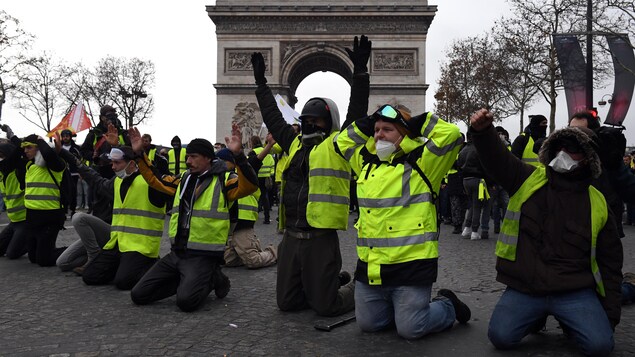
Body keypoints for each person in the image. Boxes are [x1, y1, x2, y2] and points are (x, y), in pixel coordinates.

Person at [469, 109, 623, 356]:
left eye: (571, 149)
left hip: (574, 290)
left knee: (600, 345)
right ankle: (534, 316)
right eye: (560, 147)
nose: (563, 154)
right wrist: (483, 132)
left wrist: (607, 318)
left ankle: (568, 319)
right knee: (501, 337)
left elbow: (611, 264)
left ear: (587, 158)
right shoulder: (527, 179)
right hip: (526, 287)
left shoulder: (598, 203)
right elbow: (497, 159)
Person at [249, 35, 370, 317]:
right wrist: (261, 85)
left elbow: (356, 113)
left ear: (329, 124)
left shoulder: (338, 145)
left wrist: (361, 74)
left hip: (320, 237)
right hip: (291, 236)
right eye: (305, 120)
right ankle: (323, 283)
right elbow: (273, 117)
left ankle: (359, 287)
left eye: (316, 120)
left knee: (326, 307)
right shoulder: (292, 145)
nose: (308, 124)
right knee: (287, 303)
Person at [337, 103, 470, 339]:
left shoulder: (424, 162)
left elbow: (450, 134)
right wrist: (371, 120)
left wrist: (414, 121)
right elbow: (341, 141)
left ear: (405, 132)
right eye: (376, 130)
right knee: (369, 324)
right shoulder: (364, 161)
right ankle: (399, 311)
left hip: (412, 266)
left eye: (387, 129)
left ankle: (447, 305)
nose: (379, 134)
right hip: (372, 266)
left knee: (411, 329)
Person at [129, 126, 259, 312]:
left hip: (203, 255)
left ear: (208, 158)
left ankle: (212, 277)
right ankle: (189, 280)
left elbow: (249, 186)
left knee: (186, 302)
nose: (188, 161)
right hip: (178, 252)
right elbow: (156, 179)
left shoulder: (224, 180)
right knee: (139, 295)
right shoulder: (184, 179)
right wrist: (139, 154)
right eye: (187, 156)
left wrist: (239, 156)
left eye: (193, 157)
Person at [76, 143, 170, 290]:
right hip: (118, 243)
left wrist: (139, 152)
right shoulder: (117, 181)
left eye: (117, 163)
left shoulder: (149, 184)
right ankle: (124, 268)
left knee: (123, 282)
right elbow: (97, 181)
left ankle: (155, 265)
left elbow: (157, 176)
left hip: (141, 247)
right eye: (112, 162)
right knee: (90, 276)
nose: (112, 167)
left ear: (132, 163)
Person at [219, 143, 277, 269]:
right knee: (226, 261)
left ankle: (275, 252)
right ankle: (247, 248)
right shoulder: (219, 176)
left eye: (223, 161)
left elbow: (256, 161)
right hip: (229, 227)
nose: (220, 163)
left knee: (253, 262)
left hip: (244, 223)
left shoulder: (245, 172)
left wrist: (269, 145)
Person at [21, 134, 67, 266]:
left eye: (29, 147)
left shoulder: (56, 165)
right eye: (24, 148)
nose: (25, 151)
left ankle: (77, 251)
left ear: (39, 148)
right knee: (33, 258)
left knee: (44, 260)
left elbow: (48, 153)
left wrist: (40, 140)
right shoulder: (30, 166)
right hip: (32, 217)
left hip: (50, 217)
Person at [457, 131, 491, 240]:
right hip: (478, 180)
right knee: (477, 206)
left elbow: (458, 165)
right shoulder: (479, 149)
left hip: (465, 180)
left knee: (471, 205)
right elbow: (485, 166)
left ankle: (467, 228)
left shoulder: (463, 150)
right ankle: (474, 231)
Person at [0, 125, 28, 259]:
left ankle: (35, 240)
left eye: (1, 155)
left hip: (26, 220)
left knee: (12, 254)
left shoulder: (19, 170)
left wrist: (11, 134)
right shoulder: (2, 174)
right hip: (14, 221)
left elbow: (21, 149)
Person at [249, 135, 275, 224]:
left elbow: (250, 166)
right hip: (266, 177)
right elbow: (272, 163)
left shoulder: (253, 152)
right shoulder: (267, 152)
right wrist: (270, 174)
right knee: (265, 196)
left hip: (256, 176)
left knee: (254, 196)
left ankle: (253, 213)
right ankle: (267, 217)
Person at [60, 129, 82, 219]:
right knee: (62, 192)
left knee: (73, 192)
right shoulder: (58, 147)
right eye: (64, 136)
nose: (65, 138)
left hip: (73, 174)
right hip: (62, 174)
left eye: (67, 136)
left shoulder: (76, 148)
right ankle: (63, 211)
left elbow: (80, 160)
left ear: (70, 137)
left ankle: (73, 210)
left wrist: (81, 172)